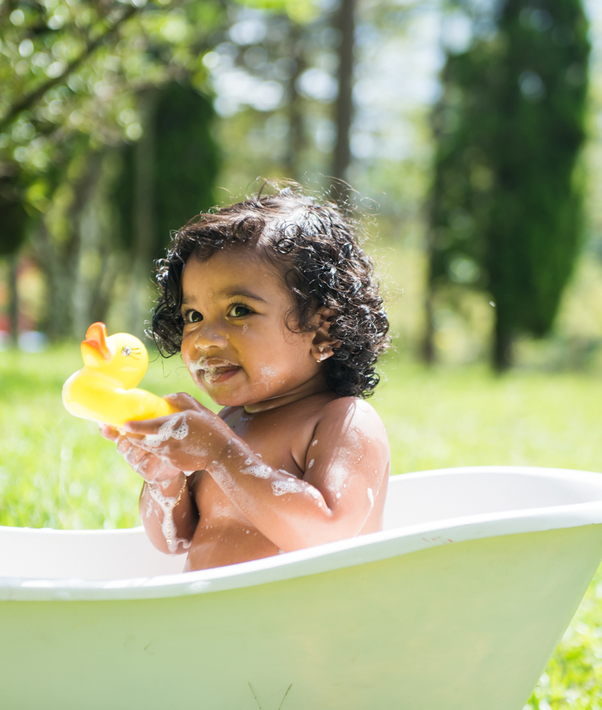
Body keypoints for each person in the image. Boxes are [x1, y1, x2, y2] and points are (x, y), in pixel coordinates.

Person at [99, 188, 391, 571]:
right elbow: (174, 541)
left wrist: (221, 453)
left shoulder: (343, 422)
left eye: (239, 310)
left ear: (323, 330)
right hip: (219, 623)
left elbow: (328, 535)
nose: (204, 338)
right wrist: (165, 479)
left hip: (304, 629)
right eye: (193, 316)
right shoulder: (227, 423)